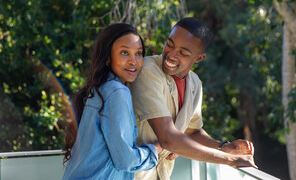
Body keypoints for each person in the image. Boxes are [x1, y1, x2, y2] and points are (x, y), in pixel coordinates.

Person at [129, 17, 257, 180]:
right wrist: (230, 160)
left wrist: (224, 147)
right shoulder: (148, 70)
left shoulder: (195, 83)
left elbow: (192, 130)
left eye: (183, 53)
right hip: (131, 175)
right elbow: (168, 139)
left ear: (198, 58)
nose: (171, 55)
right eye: (170, 44)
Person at [62, 23, 161, 180]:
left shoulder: (99, 88)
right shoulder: (117, 91)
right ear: (108, 57)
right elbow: (125, 160)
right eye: (124, 53)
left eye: (139, 53)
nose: (133, 61)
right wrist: (156, 148)